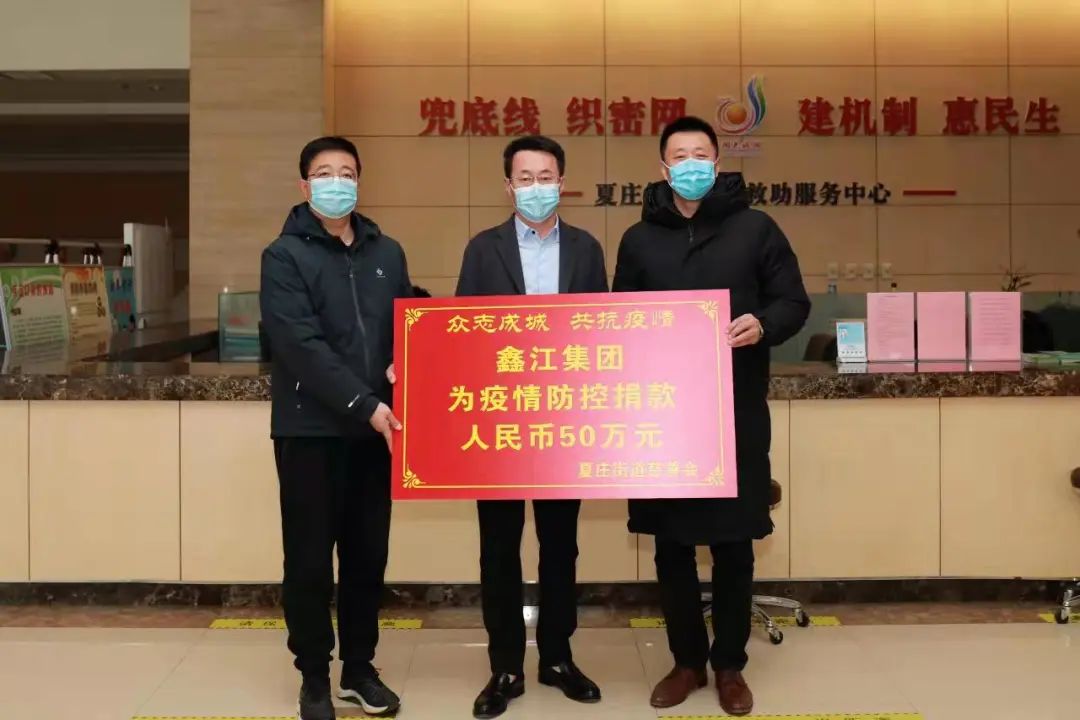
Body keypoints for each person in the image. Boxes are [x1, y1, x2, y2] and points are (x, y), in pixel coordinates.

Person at [612, 116, 810, 717]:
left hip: (734, 411)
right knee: (670, 545)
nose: (691, 164)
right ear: (663, 167)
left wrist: (764, 324)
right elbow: (617, 321)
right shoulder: (639, 240)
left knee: (733, 543)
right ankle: (686, 662)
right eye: (680, 155)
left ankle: (729, 665)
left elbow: (793, 301)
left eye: (702, 154)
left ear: (718, 162)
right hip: (662, 418)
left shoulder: (755, 228)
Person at [260, 136, 412, 720]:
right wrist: (363, 402)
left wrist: (406, 363)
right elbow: (299, 344)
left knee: (367, 556)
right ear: (304, 185)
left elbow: (406, 321)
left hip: (375, 431)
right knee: (308, 560)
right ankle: (314, 675)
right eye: (324, 173)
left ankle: (359, 669)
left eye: (347, 172)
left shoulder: (387, 251)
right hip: (311, 431)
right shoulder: (283, 256)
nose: (336, 182)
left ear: (359, 182)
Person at [456, 135, 608, 719]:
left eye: (546, 177)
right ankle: (505, 666)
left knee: (560, 546)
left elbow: (604, 333)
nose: (536, 187)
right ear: (508, 186)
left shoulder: (587, 249)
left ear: (561, 182)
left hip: (564, 424)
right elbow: (460, 331)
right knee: (498, 547)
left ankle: (557, 657)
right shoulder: (482, 249)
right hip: (498, 422)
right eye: (525, 178)